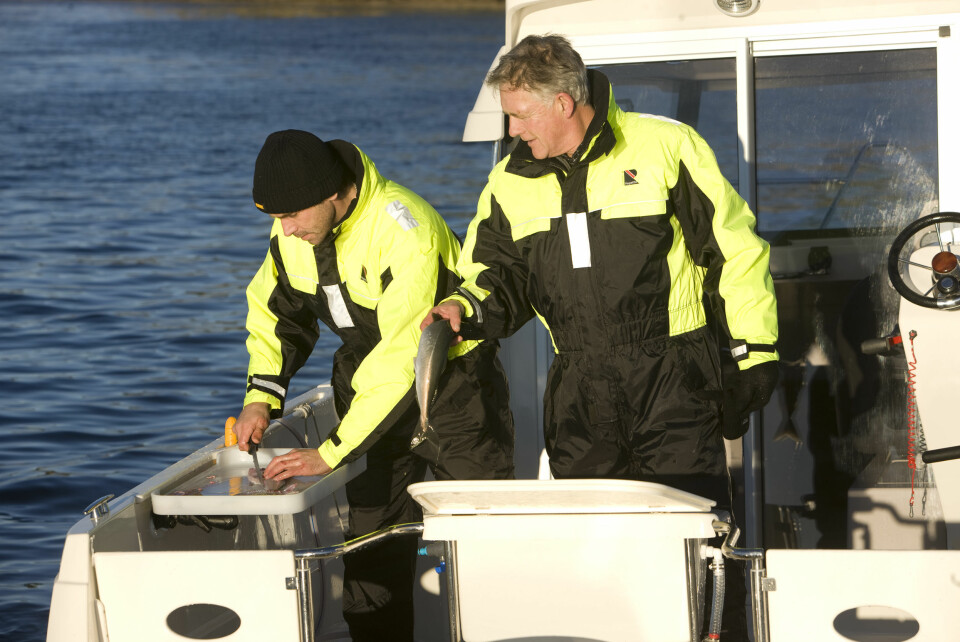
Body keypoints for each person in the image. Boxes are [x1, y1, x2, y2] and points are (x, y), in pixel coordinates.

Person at [421, 35, 779, 639]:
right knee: (593, 547)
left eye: (519, 115)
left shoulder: (666, 146)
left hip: (672, 378)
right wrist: (463, 307)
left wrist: (755, 353)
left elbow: (734, 252)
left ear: (563, 104)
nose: (512, 131)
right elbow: (492, 274)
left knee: (695, 543)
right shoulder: (509, 181)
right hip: (579, 388)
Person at [234, 130, 514, 642]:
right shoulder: (294, 233)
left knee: (478, 543)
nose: (285, 229)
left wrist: (332, 452)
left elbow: (402, 358)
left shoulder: (405, 231)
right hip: (366, 395)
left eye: (291, 215)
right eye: (275, 217)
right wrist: (261, 398)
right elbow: (276, 316)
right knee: (370, 546)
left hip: (454, 394)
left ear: (330, 193)